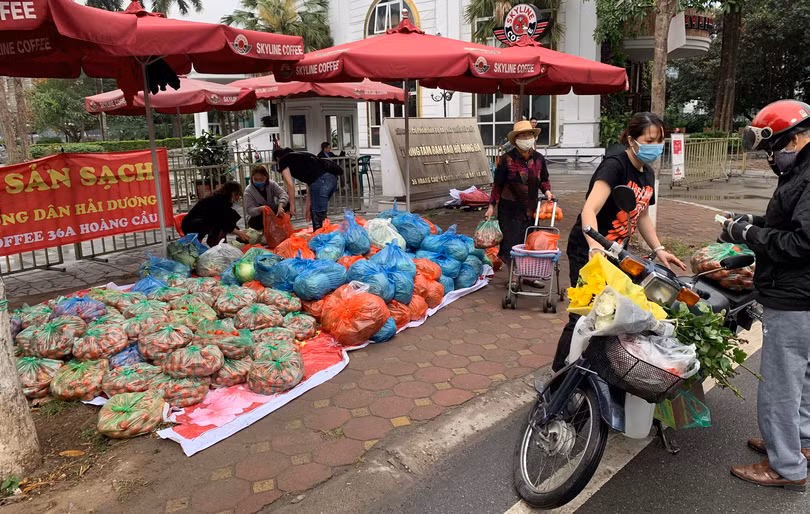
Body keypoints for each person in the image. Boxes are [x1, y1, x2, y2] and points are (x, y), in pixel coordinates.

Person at [551, 112, 686, 371]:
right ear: (632, 139)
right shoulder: (615, 165)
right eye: (649, 140)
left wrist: (659, 250)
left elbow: (642, 213)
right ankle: (559, 377)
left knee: (610, 313)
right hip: (590, 249)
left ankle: (591, 367)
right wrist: (594, 247)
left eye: (659, 140)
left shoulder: (646, 173)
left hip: (616, 253)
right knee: (583, 314)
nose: (655, 146)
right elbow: (590, 209)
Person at [723, 100, 810, 491]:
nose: (772, 159)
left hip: (795, 295)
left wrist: (748, 236)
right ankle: (798, 444)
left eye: (773, 149)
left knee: (780, 382)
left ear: (794, 138)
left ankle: (785, 466)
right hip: (803, 293)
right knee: (804, 378)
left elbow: (800, 242)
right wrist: (753, 222)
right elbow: (789, 220)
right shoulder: (803, 172)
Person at [485, 120, 553, 284]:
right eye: (522, 135)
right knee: (512, 243)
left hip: (530, 209)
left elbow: (544, 179)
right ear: (516, 140)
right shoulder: (506, 160)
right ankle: (513, 278)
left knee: (530, 242)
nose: (526, 138)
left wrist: (548, 192)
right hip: (509, 210)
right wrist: (491, 206)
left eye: (529, 135)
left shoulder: (539, 159)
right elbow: (498, 185)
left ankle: (529, 276)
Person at [273, 147, 340, 231]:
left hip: (320, 182)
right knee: (319, 213)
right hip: (332, 179)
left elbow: (290, 185)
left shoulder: (283, 160)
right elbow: (311, 185)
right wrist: (308, 208)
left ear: (277, 159)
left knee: (318, 217)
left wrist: (292, 206)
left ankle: (322, 240)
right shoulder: (302, 158)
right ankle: (325, 237)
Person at [182, 181, 248, 246]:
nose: (238, 198)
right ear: (231, 193)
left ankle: (219, 244)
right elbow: (222, 222)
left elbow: (227, 221)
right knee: (218, 224)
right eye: (236, 195)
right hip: (192, 225)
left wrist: (240, 231)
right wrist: (238, 233)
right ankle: (216, 243)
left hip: (197, 222)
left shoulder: (222, 200)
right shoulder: (218, 202)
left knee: (229, 216)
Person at [244, 165, 289, 230]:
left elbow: (283, 194)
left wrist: (281, 206)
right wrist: (260, 209)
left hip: (272, 212)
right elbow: (250, 210)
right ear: (252, 178)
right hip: (257, 217)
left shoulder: (271, 184)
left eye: (261, 179)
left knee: (287, 204)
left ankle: (282, 223)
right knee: (258, 220)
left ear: (266, 177)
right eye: (256, 179)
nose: (258, 181)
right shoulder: (248, 190)